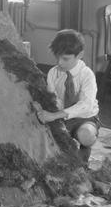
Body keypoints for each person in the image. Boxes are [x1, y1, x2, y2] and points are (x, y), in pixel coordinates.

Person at [35, 29, 100, 164]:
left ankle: (84, 147)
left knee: (86, 135)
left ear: (79, 55)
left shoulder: (87, 75)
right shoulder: (53, 73)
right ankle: (69, 143)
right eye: (57, 57)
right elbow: (53, 99)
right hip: (61, 118)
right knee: (44, 141)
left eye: (65, 58)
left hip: (84, 118)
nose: (60, 63)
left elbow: (86, 106)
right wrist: (45, 110)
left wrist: (55, 115)